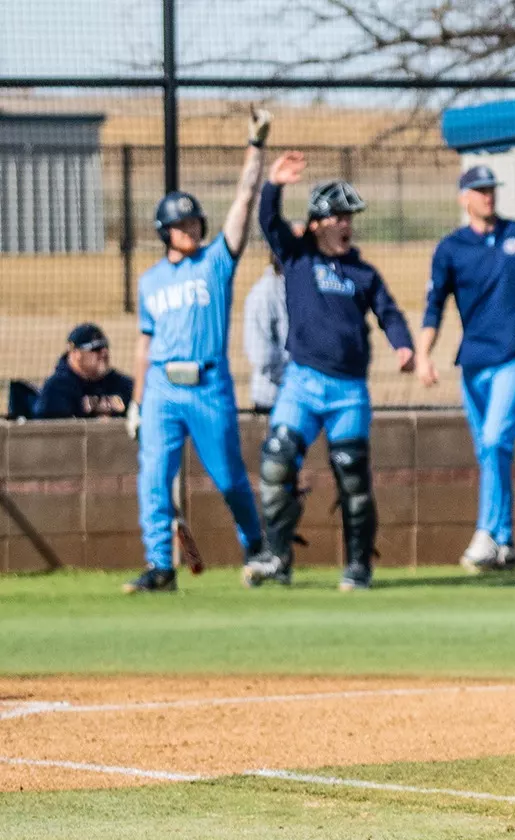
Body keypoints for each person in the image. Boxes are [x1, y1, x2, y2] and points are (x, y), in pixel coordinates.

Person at [245, 153, 414, 592]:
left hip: (348, 391)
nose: (347, 225)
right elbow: (267, 221)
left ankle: (358, 567)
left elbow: (389, 313)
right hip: (301, 383)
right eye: (339, 216)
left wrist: (404, 346)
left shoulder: (363, 273)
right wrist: (274, 184)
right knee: (278, 465)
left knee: (352, 476)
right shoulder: (297, 257)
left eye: (350, 217)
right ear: (318, 222)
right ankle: (276, 557)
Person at [123, 109, 272, 594]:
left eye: (194, 220)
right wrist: (138, 400)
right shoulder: (150, 281)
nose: (191, 227)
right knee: (153, 478)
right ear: (164, 230)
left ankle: (256, 547)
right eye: (181, 223)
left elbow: (244, 200)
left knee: (229, 478)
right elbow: (144, 345)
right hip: (164, 386)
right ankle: (160, 567)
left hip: (209, 383)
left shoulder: (216, 263)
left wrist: (255, 145)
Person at [416, 164, 515, 575]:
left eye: (491, 189)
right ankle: (505, 544)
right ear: (464, 197)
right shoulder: (451, 248)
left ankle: (487, 531)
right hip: (474, 362)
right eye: (479, 190)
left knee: (497, 438)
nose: (488, 196)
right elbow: (434, 305)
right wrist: (423, 354)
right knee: (488, 449)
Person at [34, 324, 133, 420]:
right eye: (96, 348)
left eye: (105, 346)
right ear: (75, 353)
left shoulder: (122, 384)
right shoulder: (58, 389)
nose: (104, 352)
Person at [243, 248, 290, 412]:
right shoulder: (264, 293)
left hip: (302, 398)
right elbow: (260, 355)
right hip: (273, 399)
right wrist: (296, 378)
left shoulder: (302, 289)